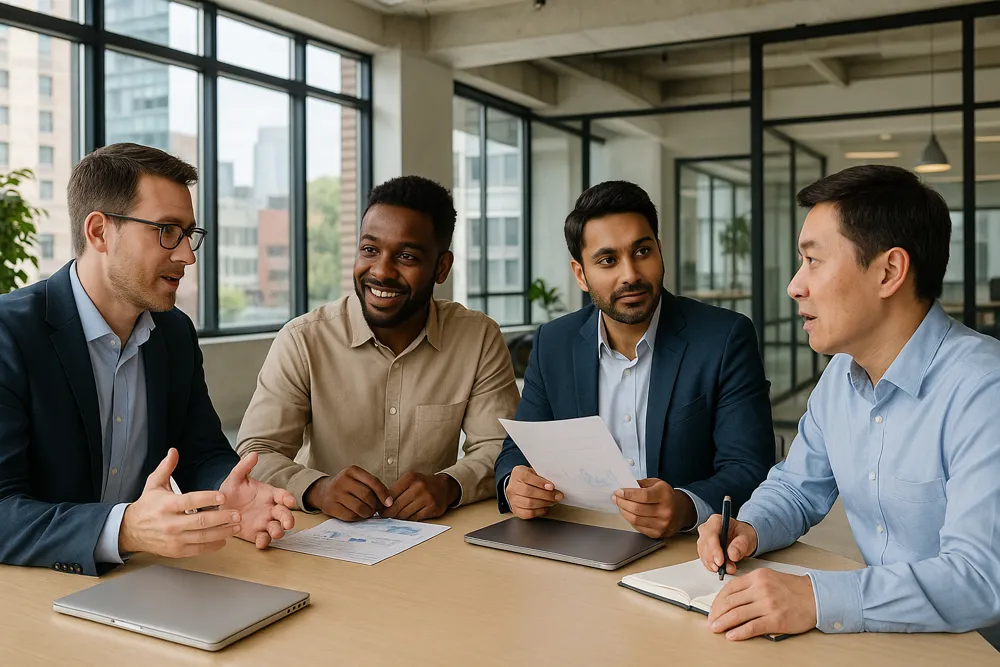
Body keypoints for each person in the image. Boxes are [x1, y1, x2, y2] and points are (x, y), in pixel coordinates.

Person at [697, 164, 1000, 639]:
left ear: (889, 272)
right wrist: (748, 527)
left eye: (813, 260)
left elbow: (980, 578)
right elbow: (797, 488)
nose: (795, 285)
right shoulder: (841, 375)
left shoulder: (984, 388)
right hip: (886, 637)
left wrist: (815, 597)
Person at [0, 142, 295, 576]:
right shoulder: (10, 333)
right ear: (99, 232)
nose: (187, 255)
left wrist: (226, 492)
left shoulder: (173, 333)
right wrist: (124, 529)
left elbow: (201, 452)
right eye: (166, 231)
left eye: (189, 234)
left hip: (137, 580)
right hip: (28, 590)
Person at [494, 181, 773, 538]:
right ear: (581, 274)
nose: (631, 275)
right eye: (608, 260)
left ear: (659, 250)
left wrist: (685, 506)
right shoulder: (554, 343)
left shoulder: (724, 338)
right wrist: (514, 483)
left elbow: (750, 467)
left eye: (642, 251)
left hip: (687, 547)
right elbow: (518, 450)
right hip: (579, 540)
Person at [237, 175, 519, 522]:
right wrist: (317, 489)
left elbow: (501, 446)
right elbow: (256, 452)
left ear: (441, 267)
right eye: (369, 250)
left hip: (434, 534)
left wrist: (450, 484)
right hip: (325, 535)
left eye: (406, 256)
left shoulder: (478, 338)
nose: (381, 271)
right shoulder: (303, 340)